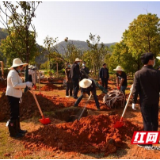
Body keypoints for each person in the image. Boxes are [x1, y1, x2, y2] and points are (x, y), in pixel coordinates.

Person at [132, 52, 160, 150]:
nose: (154, 60)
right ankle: (153, 138)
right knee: (154, 120)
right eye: (153, 59)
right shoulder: (157, 73)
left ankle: (148, 144)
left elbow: (136, 89)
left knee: (147, 121)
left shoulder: (138, 74)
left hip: (144, 101)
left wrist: (133, 102)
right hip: (155, 100)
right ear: (149, 61)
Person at [6, 58, 33, 138]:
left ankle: (18, 130)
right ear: (17, 66)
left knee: (17, 113)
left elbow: (18, 84)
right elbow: (15, 85)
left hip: (15, 96)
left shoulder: (15, 73)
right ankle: (13, 133)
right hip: (12, 96)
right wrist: (26, 84)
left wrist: (20, 95)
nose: (21, 68)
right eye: (21, 66)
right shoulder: (13, 73)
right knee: (13, 114)